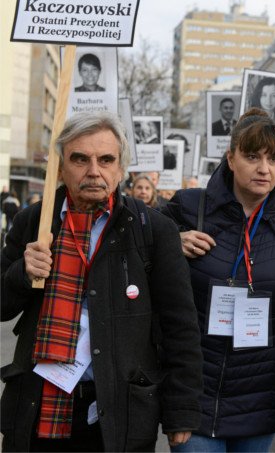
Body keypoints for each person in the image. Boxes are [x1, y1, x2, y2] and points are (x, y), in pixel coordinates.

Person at [1, 112, 202, 451]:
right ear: (62, 167)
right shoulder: (33, 222)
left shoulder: (153, 230)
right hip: (38, 409)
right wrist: (22, 273)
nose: (94, 171)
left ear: (120, 169)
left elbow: (180, 326)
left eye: (106, 159)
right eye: (80, 158)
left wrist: (181, 410)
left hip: (118, 413)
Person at [161, 109, 275, 452]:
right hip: (195, 391)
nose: (264, 168)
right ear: (231, 157)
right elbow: (137, 248)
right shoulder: (188, 207)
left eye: (273, 158)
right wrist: (172, 241)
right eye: (252, 156)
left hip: (261, 394)